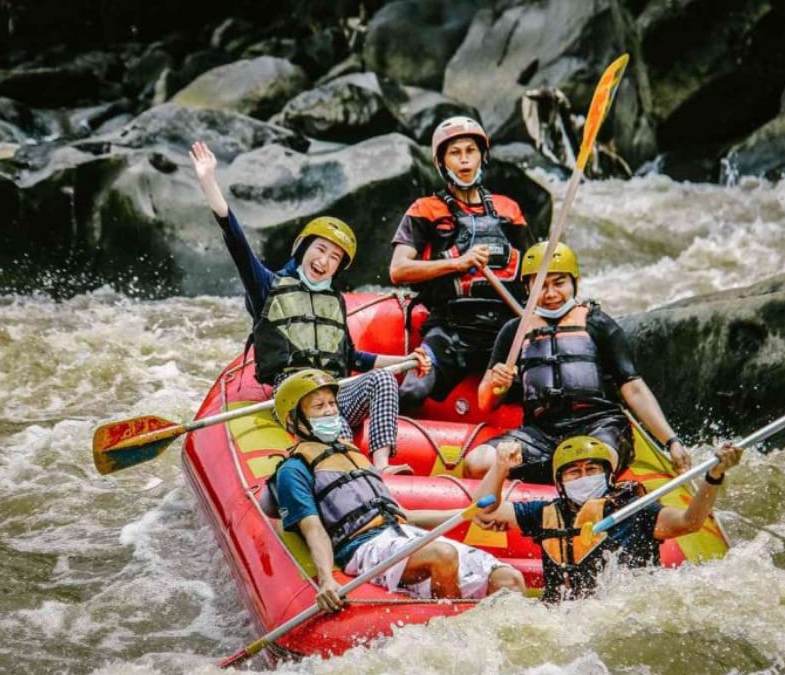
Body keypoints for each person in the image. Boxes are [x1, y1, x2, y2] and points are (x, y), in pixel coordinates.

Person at [190, 141, 429, 474]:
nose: (324, 261)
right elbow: (237, 242)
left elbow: (353, 358)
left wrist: (407, 361)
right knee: (329, 415)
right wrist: (209, 182)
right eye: (320, 250)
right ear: (303, 249)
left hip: (334, 391)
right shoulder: (268, 287)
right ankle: (353, 471)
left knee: (383, 381)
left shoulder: (334, 301)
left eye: (334, 258)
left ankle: (381, 465)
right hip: (295, 394)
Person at [264, 369, 526, 610]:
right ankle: (455, 632)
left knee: (509, 579)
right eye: (319, 406)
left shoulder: (353, 454)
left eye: (332, 403)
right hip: (364, 548)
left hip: (402, 533)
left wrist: (467, 513)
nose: (330, 412)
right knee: (442, 555)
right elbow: (313, 529)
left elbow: (404, 515)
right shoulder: (294, 470)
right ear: (294, 419)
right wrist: (326, 580)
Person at [463, 241, 693, 482]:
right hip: (542, 434)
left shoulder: (598, 324)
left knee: (588, 467)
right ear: (527, 288)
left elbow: (633, 389)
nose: (550, 294)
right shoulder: (515, 331)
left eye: (559, 283)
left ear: (575, 282)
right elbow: (485, 402)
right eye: (541, 285)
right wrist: (497, 384)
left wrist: (672, 441)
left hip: (599, 427)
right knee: (476, 463)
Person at [472, 436, 741, 601]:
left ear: (609, 476)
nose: (584, 477)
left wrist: (714, 476)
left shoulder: (635, 511)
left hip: (621, 613)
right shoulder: (544, 514)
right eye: (574, 473)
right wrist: (500, 466)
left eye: (591, 469)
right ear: (560, 483)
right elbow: (485, 509)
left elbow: (689, 522)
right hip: (564, 617)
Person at [388, 116, 533, 409]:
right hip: (450, 329)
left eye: (471, 151)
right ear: (442, 162)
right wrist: (458, 263)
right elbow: (398, 270)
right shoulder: (425, 210)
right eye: (455, 153)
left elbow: (535, 272)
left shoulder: (509, 209)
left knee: (542, 387)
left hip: (504, 331)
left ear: (482, 156)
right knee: (413, 391)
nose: (465, 161)